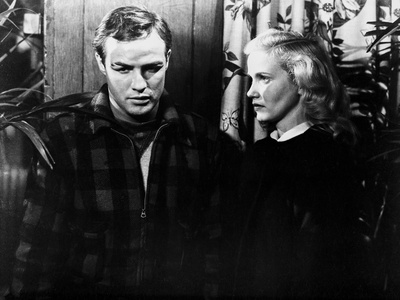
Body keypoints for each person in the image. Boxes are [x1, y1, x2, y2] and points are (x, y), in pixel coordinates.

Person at [7, 5, 221, 299]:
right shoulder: (64, 137)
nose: (139, 85)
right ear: (101, 61)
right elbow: (37, 258)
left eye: (152, 68)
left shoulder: (201, 139)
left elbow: (214, 253)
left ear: (168, 59)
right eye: (123, 69)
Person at [226, 29, 372, 298]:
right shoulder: (263, 152)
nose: (250, 93)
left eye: (264, 79)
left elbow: (318, 267)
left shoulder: (326, 157)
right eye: (251, 80)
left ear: (301, 82)